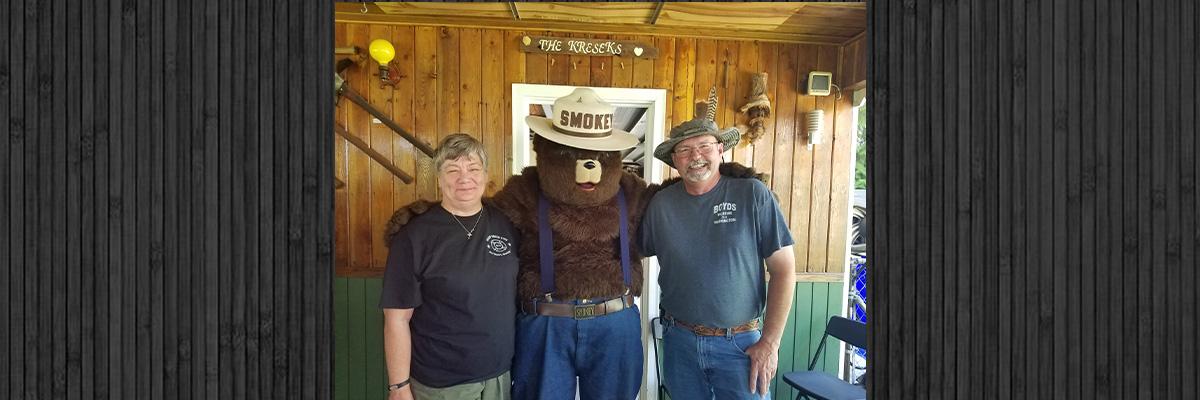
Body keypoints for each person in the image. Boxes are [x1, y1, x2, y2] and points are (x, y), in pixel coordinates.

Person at [639, 114, 797, 399]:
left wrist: (770, 343)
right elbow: (628, 252)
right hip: (679, 342)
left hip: (741, 345)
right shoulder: (661, 205)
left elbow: (784, 270)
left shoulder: (753, 195)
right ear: (674, 160)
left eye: (704, 146)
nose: (695, 156)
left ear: (720, 150)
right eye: (684, 150)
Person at [380, 133, 520, 400]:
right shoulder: (415, 236)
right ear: (439, 178)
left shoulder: (507, 224)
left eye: (473, 168)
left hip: (500, 376)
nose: (464, 178)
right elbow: (397, 318)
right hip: (442, 383)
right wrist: (398, 387)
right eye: (452, 170)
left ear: (485, 174)